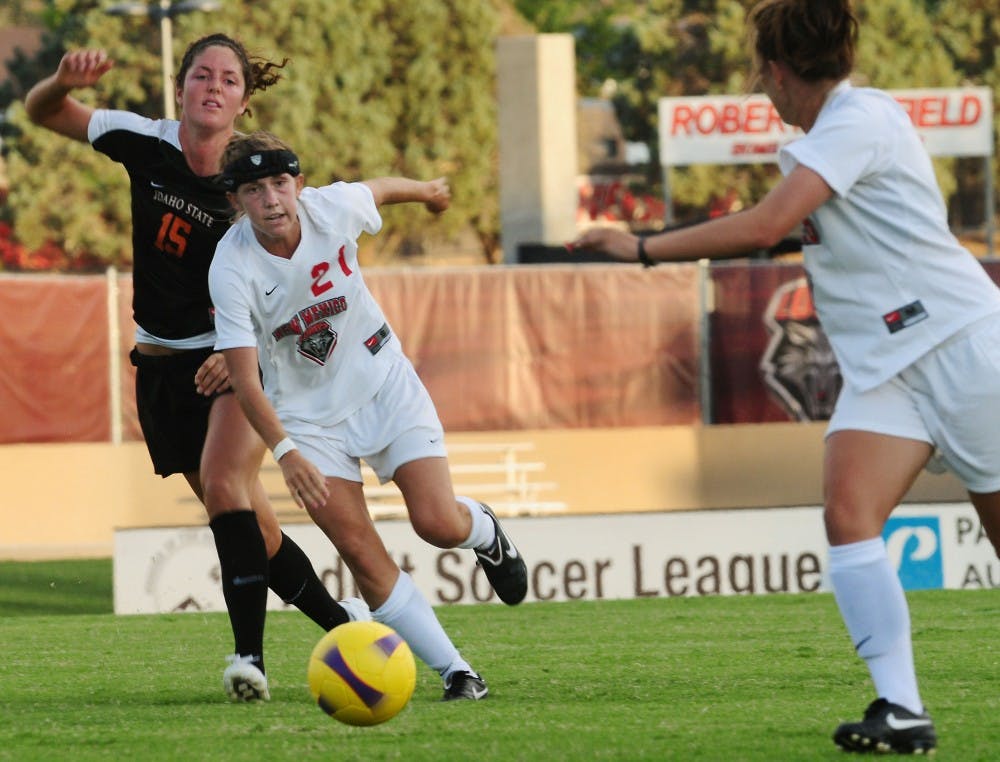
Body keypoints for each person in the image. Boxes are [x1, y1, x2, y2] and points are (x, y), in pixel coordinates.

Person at [573, 0, 1000, 754]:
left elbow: (768, 225)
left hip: (963, 346)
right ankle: (901, 709)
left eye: (760, 76)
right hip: (892, 369)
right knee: (848, 514)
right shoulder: (832, 140)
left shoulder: (859, 119)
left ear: (774, 70)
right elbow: (785, 226)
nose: (764, 94)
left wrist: (640, 247)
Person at [24, 35, 366, 703]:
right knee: (252, 526)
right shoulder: (142, 141)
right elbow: (41, 113)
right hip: (157, 366)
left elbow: (296, 275)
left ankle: (249, 660)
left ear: (242, 99)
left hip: (231, 365)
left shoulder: (254, 182)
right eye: (201, 75)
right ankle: (348, 631)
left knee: (219, 484)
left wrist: (234, 350)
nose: (213, 86)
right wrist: (60, 80)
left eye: (229, 79)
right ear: (179, 87)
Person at [208, 130, 529, 701]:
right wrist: (287, 453)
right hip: (308, 423)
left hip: (384, 383)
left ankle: (483, 530)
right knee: (359, 551)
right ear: (236, 200)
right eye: (254, 190)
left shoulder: (331, 208)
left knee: (436, 524)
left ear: (299, 184)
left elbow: (377, 190)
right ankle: (457, 672)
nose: (272, 200)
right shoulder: (231, 266)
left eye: (280, 183)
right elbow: (244, 378)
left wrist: (428, 191)